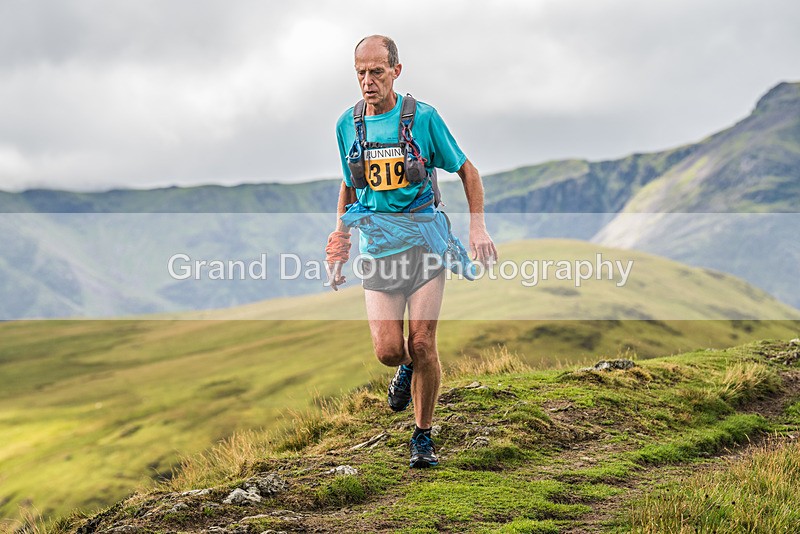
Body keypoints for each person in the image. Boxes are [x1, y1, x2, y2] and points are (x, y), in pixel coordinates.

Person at [326, 35, 497, 468]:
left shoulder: (423, 118)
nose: (368, 81)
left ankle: (422, 436)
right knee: (389, 350)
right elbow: (349, 184)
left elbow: (467, 170)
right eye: (361, 73)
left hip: (425, 245)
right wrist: (338, 241)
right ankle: (405, 368)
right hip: (379, 249)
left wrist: (477, 227)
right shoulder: (348, 125)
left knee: (423, 342)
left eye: (377, 72)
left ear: (396, 71)